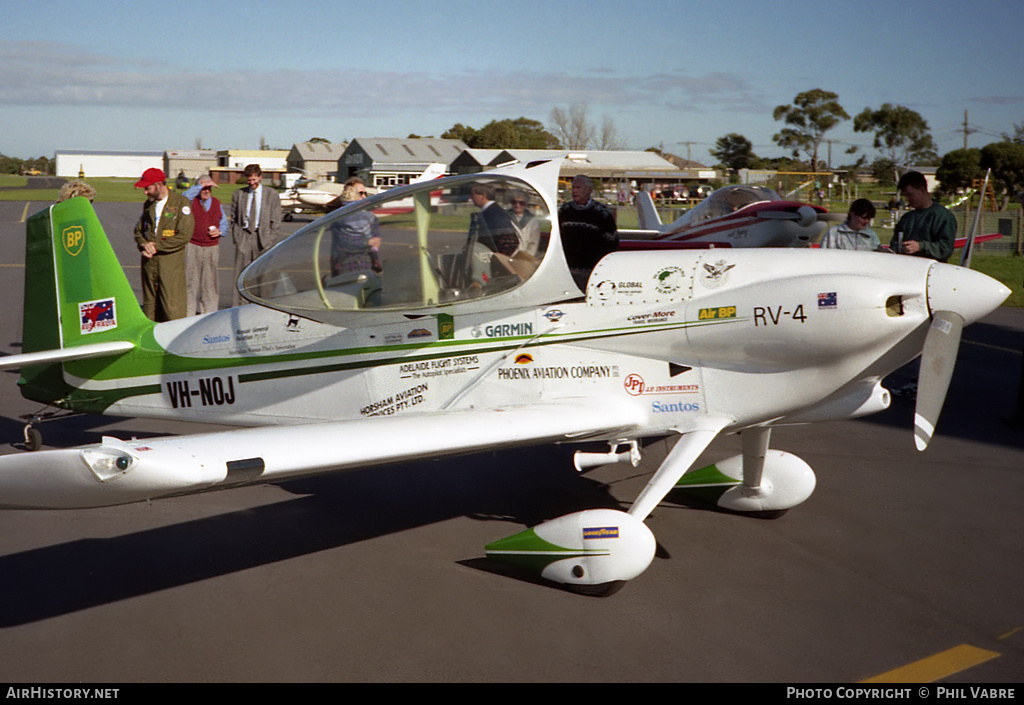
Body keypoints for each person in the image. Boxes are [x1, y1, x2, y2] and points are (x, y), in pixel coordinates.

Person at [132, 168, 194, 321]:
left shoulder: (181, 203)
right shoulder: (148, 205)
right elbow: (138, 230)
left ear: (159, 185)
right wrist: (144, 245)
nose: (145, 192)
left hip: (170, 263)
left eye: (148, 188)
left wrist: (156, 246)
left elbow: (184, 235)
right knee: (149, 306)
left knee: (172, 307)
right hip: (149, 262)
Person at [229, 164, 282, 305]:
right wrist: (237, 238)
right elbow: (233, 218)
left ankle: (263, 306)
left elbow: (276, 220)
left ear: (260, 177)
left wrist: (270, 239)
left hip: (263, 238)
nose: (252, 183)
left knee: (263, 277)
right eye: (249, 180)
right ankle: (239, 307)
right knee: (241, 276)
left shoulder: (272, 194)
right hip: (244, 238)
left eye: (254, 179)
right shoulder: (239, 194)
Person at [558, 174, 618, 288]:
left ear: (589, 190)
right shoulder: (565, 210)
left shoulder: (602, 212)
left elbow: (612, 242)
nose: (574, 191)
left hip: (592, 271)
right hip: (568, 270)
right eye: (573, 188)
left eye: (578, 188)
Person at [182, 175, 228, 315]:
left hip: (211, 247)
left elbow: (224, 223)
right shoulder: (191, 201)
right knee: (190, 281)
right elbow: (183, 197)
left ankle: (208, 313)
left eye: (209, 188)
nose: (206, 191)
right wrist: (200, 185)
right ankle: (188, 313)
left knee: (210, 283)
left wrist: (220, 231)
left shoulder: (216, 203)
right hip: (193, 245)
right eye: (204, 188)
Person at [889, 171, 956, 262]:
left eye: (910, 194)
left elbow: (945, 249)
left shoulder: (942, 216)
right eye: (905, 196)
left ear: (922, 190)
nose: (907, 199)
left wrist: (920, 246)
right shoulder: (906, 218)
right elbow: (895, 244)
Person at [329, 178, 381, 275]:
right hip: (347, 265)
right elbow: (340, 244)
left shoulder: (370, 217)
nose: (364, 196)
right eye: (360, 193)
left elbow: (375, 244)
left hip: (366, 264)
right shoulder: (341, 217)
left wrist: (375, 260)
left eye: (365, 193)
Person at [507, 189, 541, 256]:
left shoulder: (533, 221)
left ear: (526, 204)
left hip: (523, 258)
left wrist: (525, 259)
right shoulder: (504, 217)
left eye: (521, 203)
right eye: (514, 202)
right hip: (506, 256)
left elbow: (533, 244)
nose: (517, 205)